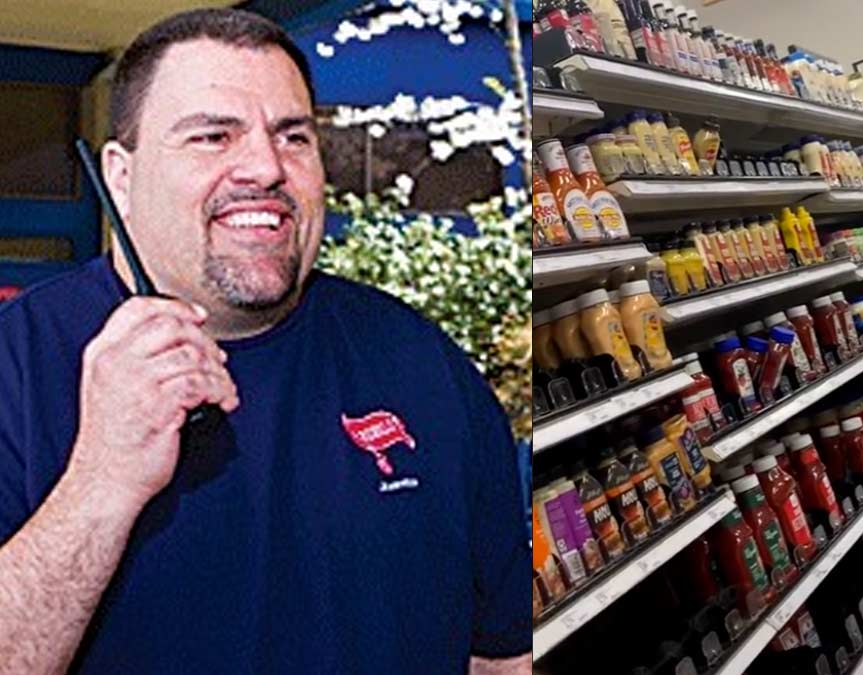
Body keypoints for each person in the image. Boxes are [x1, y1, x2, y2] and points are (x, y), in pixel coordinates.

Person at [0, 9, 530, 674]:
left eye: (293, 137)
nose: (265, 166)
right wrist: (99, 484)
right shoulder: (17, 364)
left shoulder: (424, 361)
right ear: (121, 177)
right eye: (213, 136)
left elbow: (501, 655)